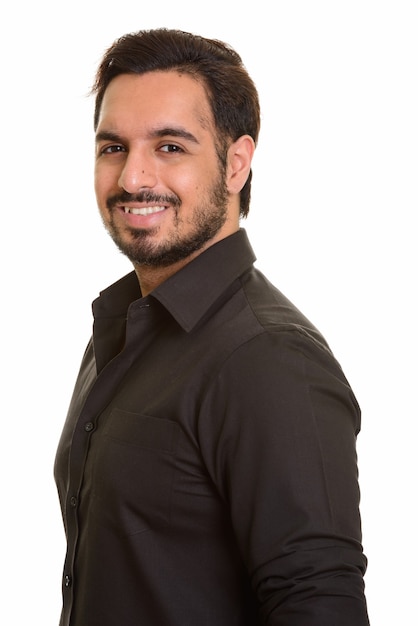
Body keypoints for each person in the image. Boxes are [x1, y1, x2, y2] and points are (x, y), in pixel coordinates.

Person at [54, 28, 369, 626]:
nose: (132, 179)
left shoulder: (269, 357)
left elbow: (319, 605)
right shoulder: (121, 330)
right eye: (113, 147)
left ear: (236, 162)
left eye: (170, 147)